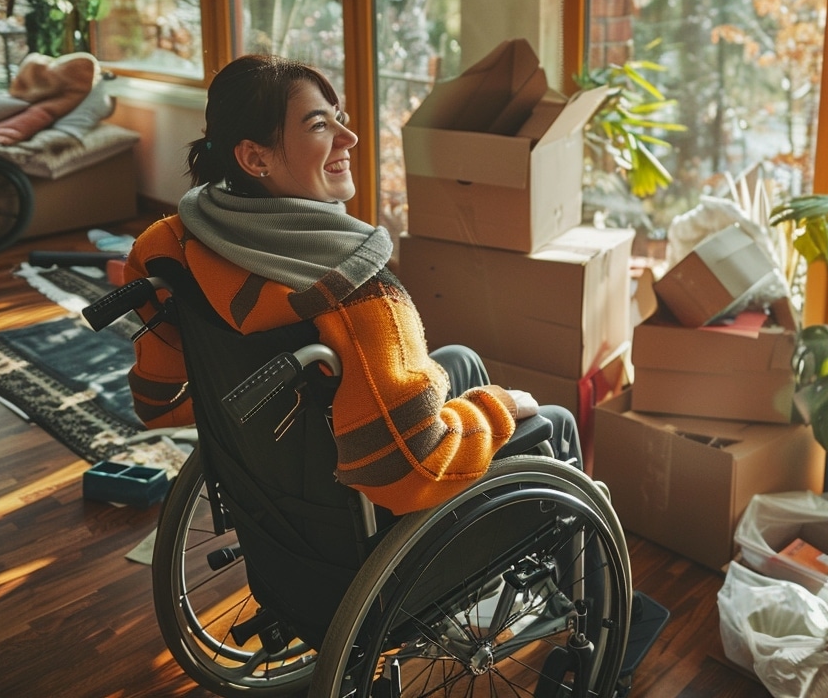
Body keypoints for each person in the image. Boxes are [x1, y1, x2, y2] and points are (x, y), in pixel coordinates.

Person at [124, 54, 582, 515]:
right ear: (254, 157)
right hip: (369, 517)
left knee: (460, 359)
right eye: (320, 125)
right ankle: (582, 585)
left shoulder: (168, 245)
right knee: (555, 421)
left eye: (337, 118)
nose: (350, 137)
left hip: (273, 491)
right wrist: (494, 407)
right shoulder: (355, 289)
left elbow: (162, 404)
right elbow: (408, 474)